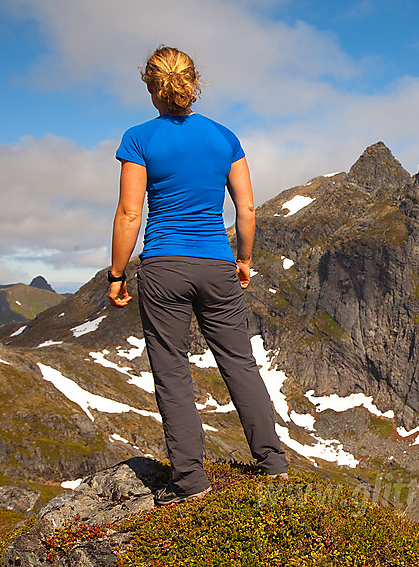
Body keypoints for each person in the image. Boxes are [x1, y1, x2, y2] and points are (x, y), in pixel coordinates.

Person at [107, 45, 288, 506]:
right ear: (193, 83)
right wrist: (243, 259)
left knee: (172, 369)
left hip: (164, 265)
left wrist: (117, 273)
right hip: (217, 263)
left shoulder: (138, 138)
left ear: (152, 86)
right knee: (239, 363)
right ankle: (273, 464)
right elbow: (245, 208)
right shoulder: (225, 137)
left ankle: (189, 480)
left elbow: (131, 211)